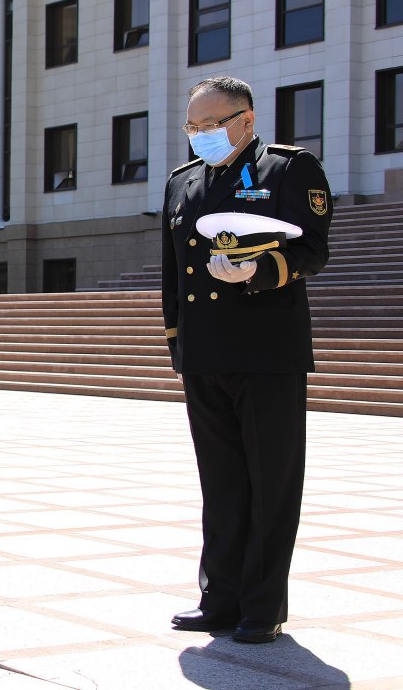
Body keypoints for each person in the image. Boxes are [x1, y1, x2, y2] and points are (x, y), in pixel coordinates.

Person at [164, 76, 332, 644]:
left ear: (246, 120)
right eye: (192, 126)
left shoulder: (287, 169)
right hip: (205, 350)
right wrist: (176, 342)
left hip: (265, 351)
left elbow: (313, 247)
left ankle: (262, 607)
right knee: (222, 481)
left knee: (271, 482)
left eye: (211, 124)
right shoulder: (183, 182)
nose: (200, 135)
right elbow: (172, 270)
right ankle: (221, 598)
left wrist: (257, 272)